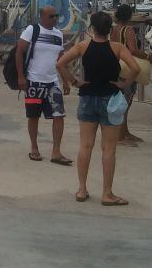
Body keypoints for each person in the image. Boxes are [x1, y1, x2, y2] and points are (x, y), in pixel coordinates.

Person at [56, 11, 139, 206]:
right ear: (110, 29)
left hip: (87, 97)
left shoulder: (83, 46)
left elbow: (60, 64)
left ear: (92, 28)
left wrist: (74, 81)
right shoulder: (117, 48)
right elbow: (135, 68)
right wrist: (124, 84)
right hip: (110, 99)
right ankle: (107, 193)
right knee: (109, 149)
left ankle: (82, 188)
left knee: (85, 146)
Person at [17, 6, 71, 165]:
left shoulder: (58, 34)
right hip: (34, 81)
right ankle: (34, 147)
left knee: (59, 115)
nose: (54, 19)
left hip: (53, 82)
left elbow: (61, 60)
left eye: (56, 16)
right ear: (42, 17)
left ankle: (56, 151)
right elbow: (19, 52)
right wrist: (21, 77)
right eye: (51, 16)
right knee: (33, 116)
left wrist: (65, 80)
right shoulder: (32, 30)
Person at [111, 5, 147, 143]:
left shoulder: (114, 29)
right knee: (126, 100)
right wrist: (148, 57)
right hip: (127, 67)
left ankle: (124, 131)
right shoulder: (129, 30)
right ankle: (121, 135)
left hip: (117, 66)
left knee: (122, 100)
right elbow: (133, 50)